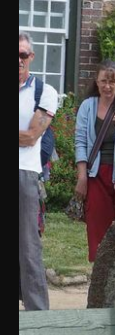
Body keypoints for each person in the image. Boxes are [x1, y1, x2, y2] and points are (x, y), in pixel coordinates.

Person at [74, 60, 115, 262]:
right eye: (103, 81)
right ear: (96, 81)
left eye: (112, 82)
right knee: (97, 229)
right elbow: (80, 141)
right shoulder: (88, 106)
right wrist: (82, 176)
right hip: (96, 174)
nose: (108, 86)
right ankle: (101, 276)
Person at [19, 32, 58, 310]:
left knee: (28, 247)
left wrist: (26, 134)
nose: (18, 60)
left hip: (24, 173)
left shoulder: (44, 91)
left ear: (31, 57)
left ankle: (38, 318)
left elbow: (32, 136)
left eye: (22, 55)